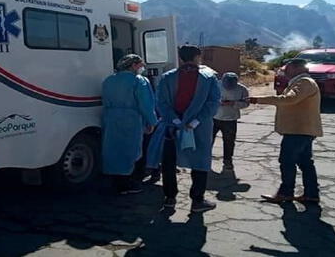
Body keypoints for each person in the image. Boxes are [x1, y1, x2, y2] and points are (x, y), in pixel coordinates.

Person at [148, 45, 221, 213]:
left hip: (172, 127)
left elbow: (161, 103)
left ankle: (170, 198)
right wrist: (194, 122)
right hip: (199, 128)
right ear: (198, 57)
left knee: (169, 162)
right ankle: (197, 201)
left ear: (180, 58)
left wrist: (174, 120)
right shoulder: (209, 77)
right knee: (200, 162)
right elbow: (213, 103)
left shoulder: (167, 77)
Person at [248, 58, 323, 203]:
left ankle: (286, 193)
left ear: (297, 68)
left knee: (287, 161)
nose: (285, 72)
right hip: (302, 130)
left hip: (298, 130)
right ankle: (311, 194)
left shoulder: (304, 82)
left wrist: (258, 99)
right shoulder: (302, 82)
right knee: (305, 163)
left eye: (287, 69)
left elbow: (289, 99)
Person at [102, 54, 157, 195]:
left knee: (113, 149)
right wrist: (152, 122)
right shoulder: (139, 81)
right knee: (131, 151)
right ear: (133, 65)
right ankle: (128, 184)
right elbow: (146, 104)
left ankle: (116, 182)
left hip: (111, 119)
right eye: (140, 64)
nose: (142, 67)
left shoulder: (109, 80)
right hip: (131, 120)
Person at [212, 72, 249, 170]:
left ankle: (227, 160)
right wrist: (217, 102)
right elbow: (207, 98)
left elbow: (246, 103)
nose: (228, 86)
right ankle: (205, 158)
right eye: (226, 83)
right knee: (208, 139)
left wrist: (234, 103)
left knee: (229, 141)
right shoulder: (215, 85)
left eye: (231, 84)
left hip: (231, 119)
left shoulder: (242, 89)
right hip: (214, 117)